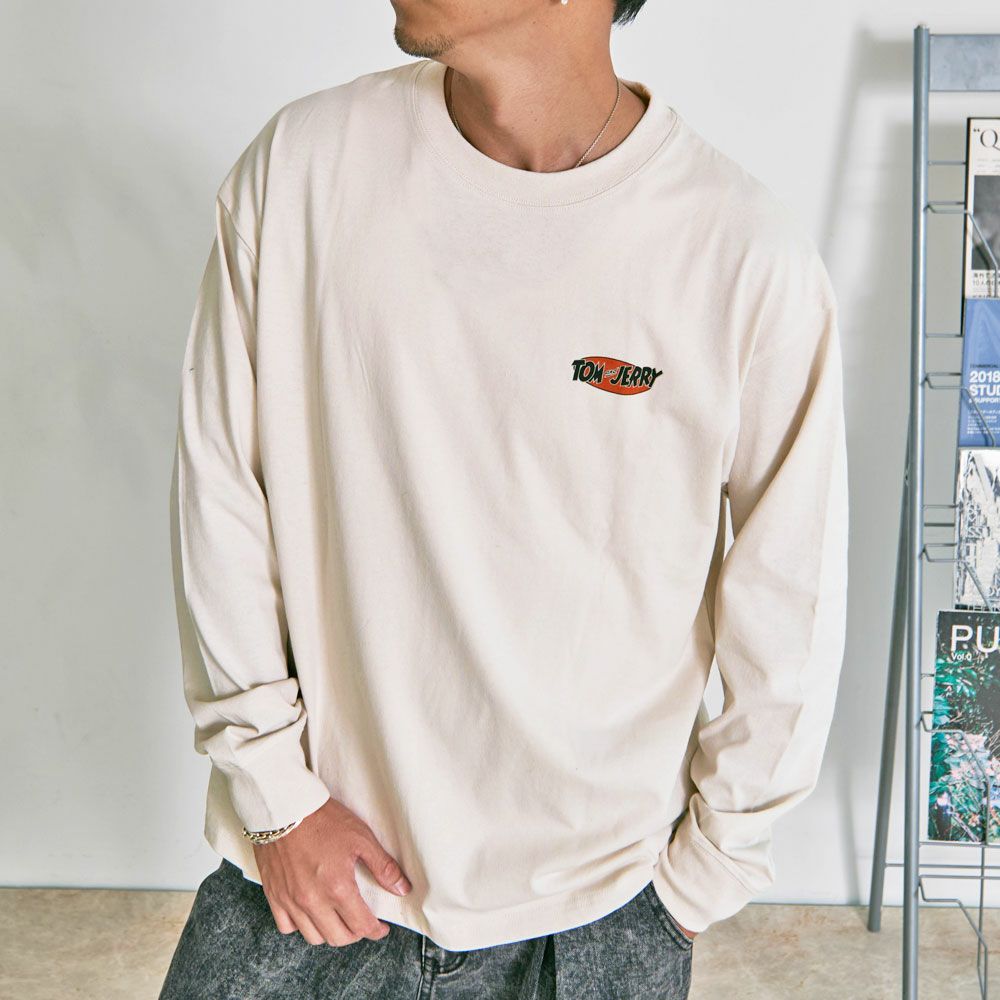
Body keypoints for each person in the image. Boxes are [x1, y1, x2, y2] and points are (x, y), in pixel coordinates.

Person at [160, 0, 850, 996]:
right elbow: (220, 490)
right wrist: (276, 798)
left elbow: (791, 601)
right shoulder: (302, 168)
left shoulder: (742, 255)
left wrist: (693, 886)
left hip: (597, 915)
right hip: (304, 878)